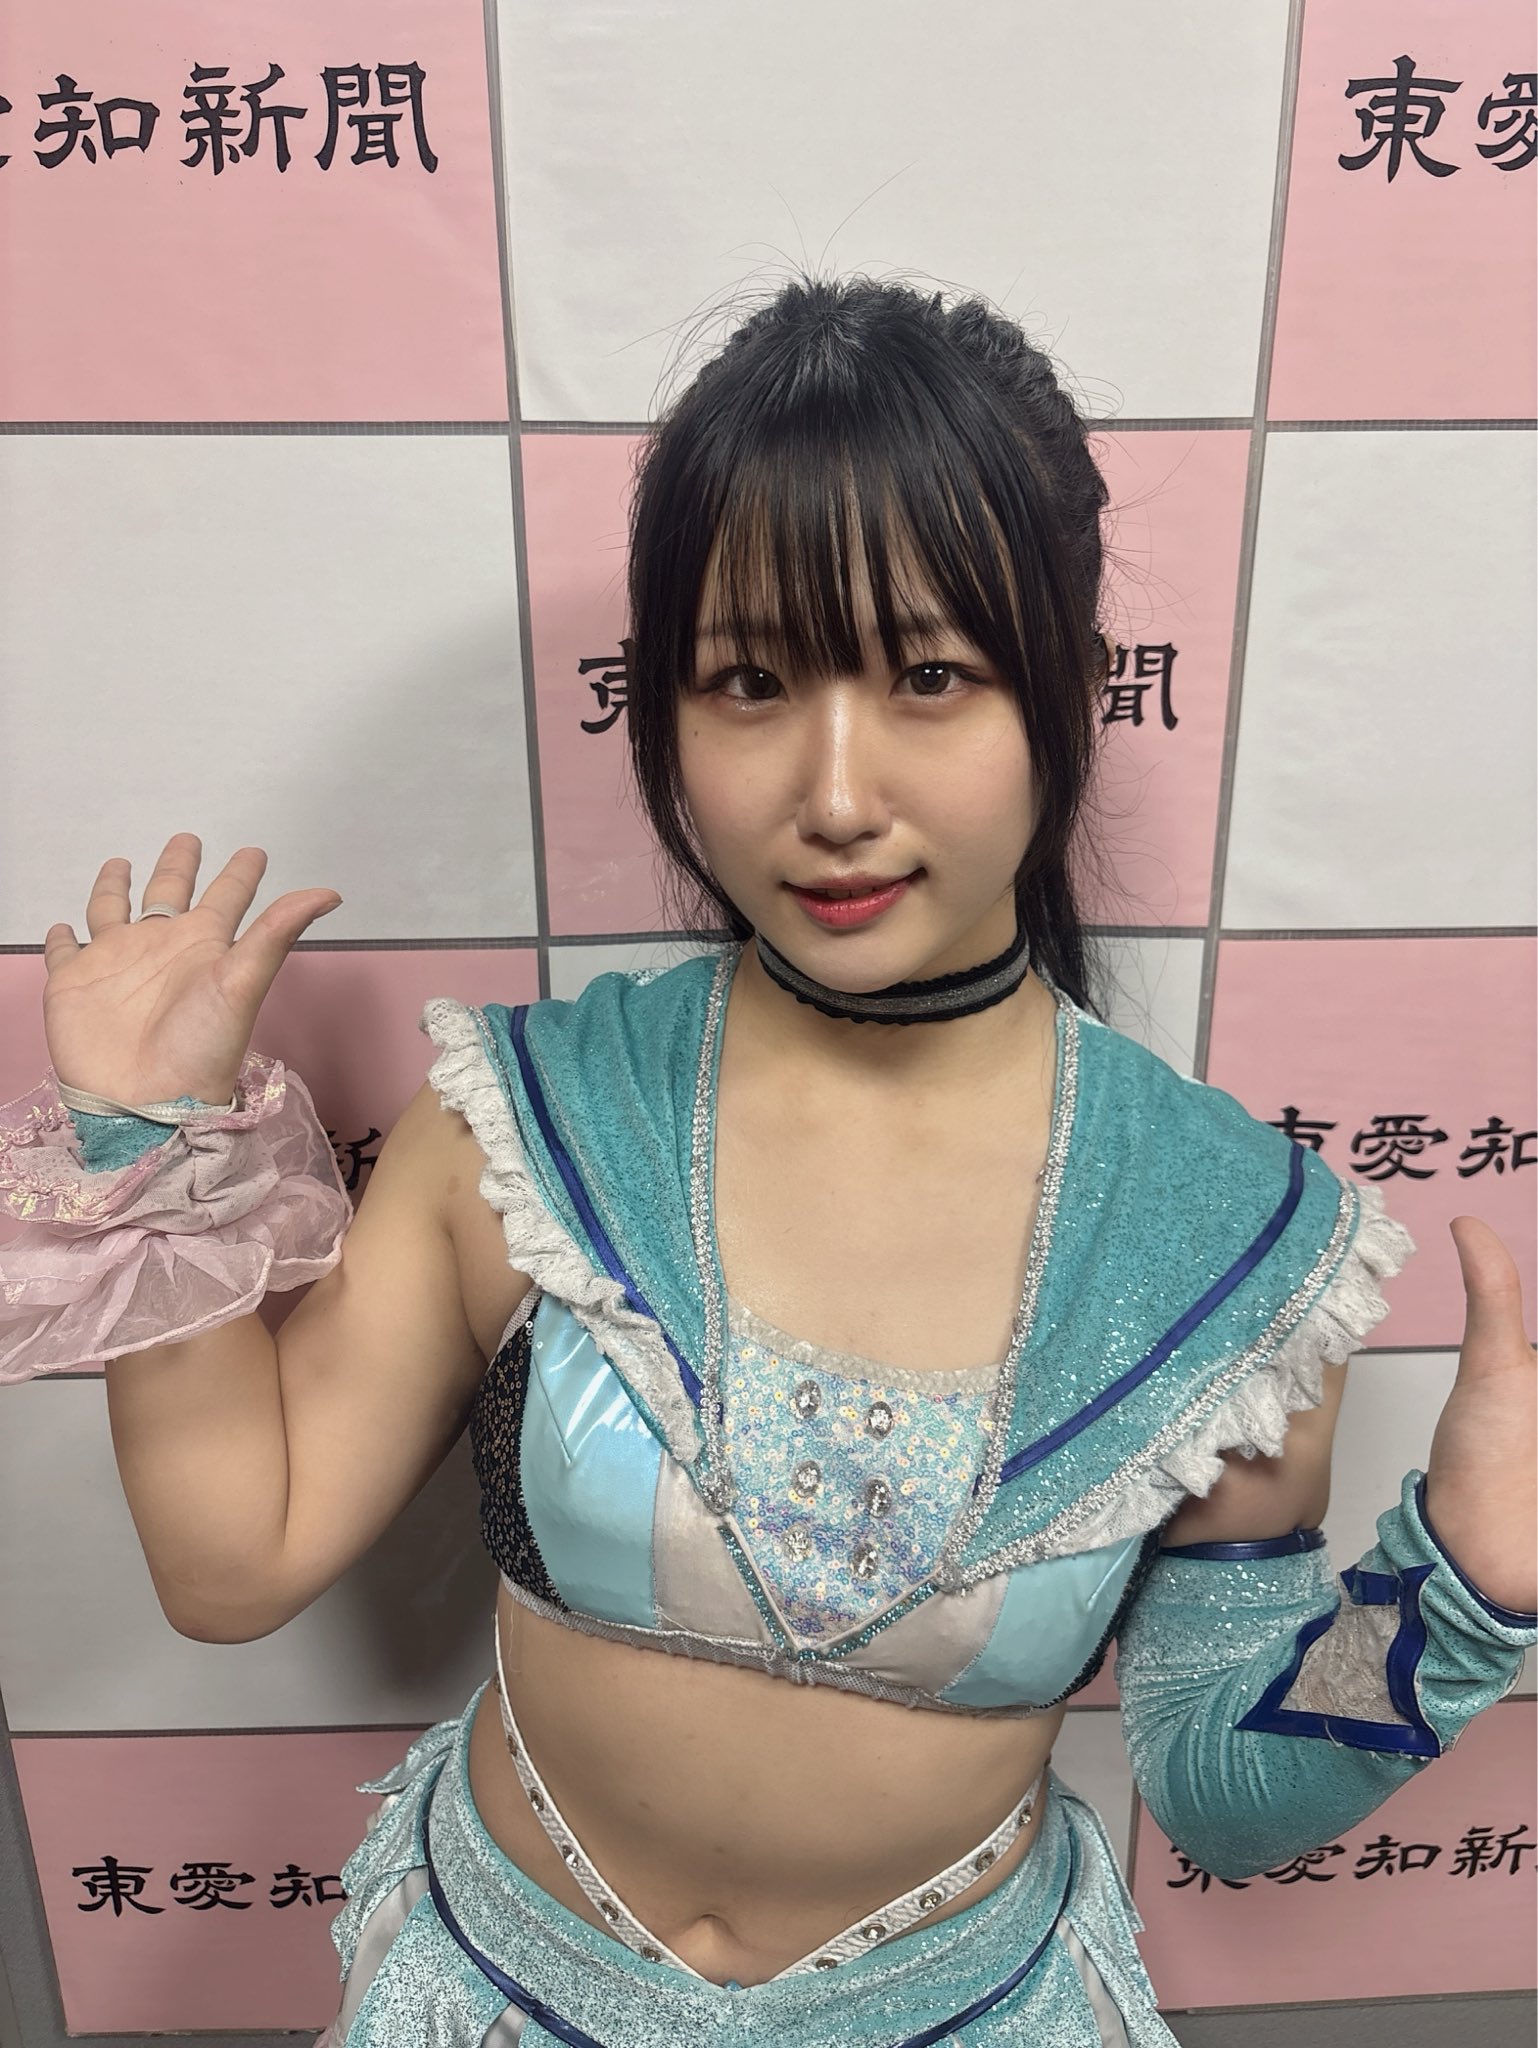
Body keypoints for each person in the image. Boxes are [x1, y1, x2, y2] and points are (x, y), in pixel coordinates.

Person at [2, 274, 1533, 2048]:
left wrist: (1459, 1589)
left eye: (930, 677)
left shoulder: (1232, 1244)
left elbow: (1220, 1794)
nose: (833, 794)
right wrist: (147, 1145)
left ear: (1068, 689)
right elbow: (233, 1563)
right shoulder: (531, 1122)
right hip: (494, 1996)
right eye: (747, 681)